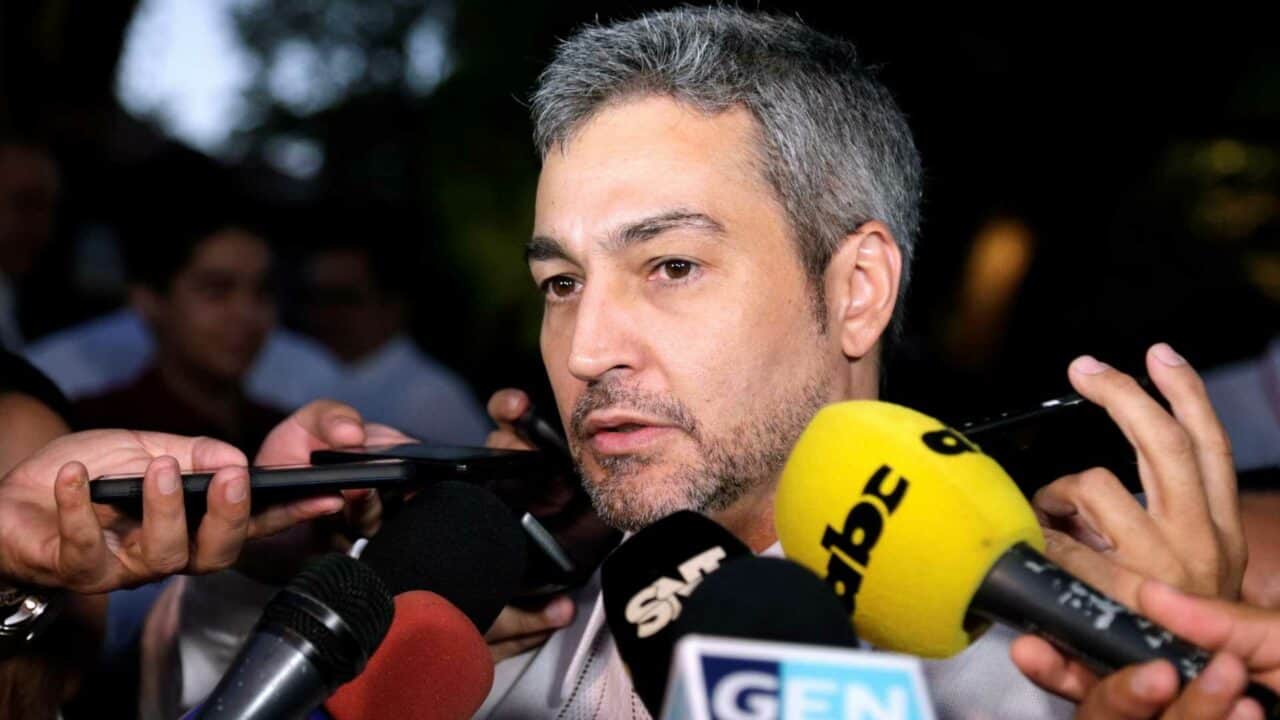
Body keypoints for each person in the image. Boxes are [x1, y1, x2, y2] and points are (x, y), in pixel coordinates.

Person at [473, 8, 1244, 718]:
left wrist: (1183, 669)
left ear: (857, 290)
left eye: (672, 266)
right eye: (562, 283)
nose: (587, 350)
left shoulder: (1060, 680)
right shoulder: (480, 652)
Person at [72, 201, 285, 455]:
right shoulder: (94, 432)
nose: (246, 313)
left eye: (263, 292)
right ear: (149, 300)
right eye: (216, 290)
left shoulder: (282, 434)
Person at [300, 238, 490, 445]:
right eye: (316, 298)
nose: (325, 314)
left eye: (345, 299)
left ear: (392, 306)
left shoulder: (431, 398)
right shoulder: (303, 376)